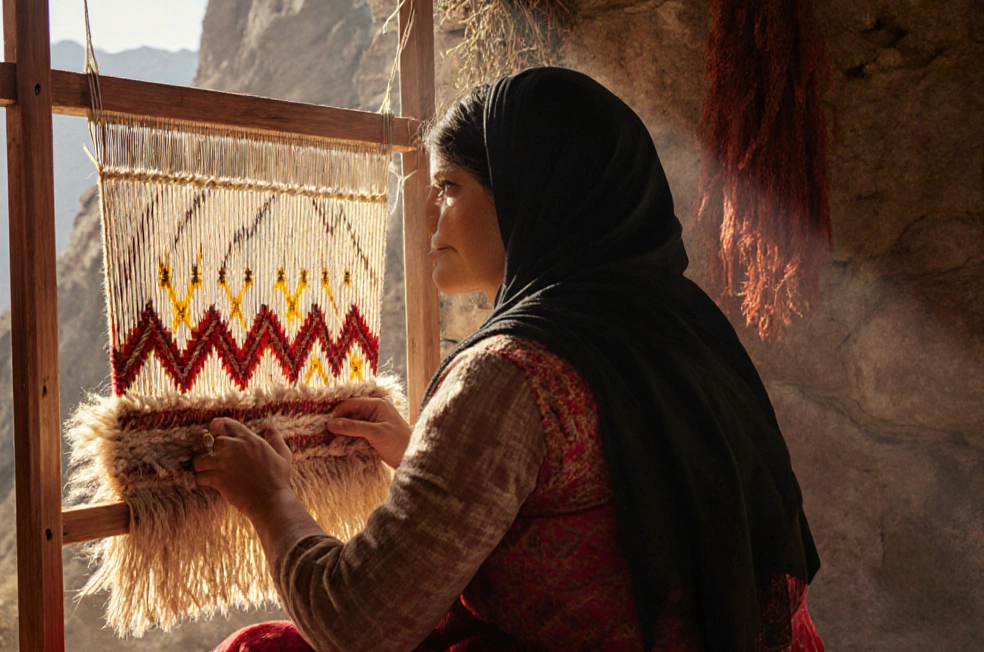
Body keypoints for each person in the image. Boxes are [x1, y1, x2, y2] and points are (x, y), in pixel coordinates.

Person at [192, 68, 824, 652]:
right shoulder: (683, 324)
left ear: (532, 195)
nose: (427, 213)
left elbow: (359, 621)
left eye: (449, 187)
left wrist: (270, 497)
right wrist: (433, 458)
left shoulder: (511, 374)